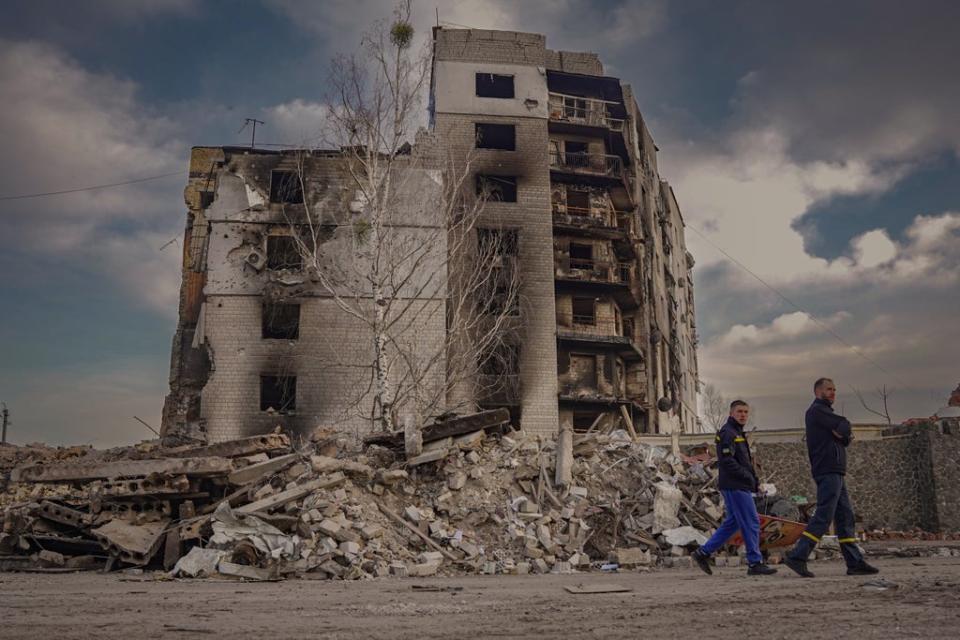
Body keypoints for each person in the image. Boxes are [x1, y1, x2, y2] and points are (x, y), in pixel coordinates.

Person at [783, 378, 879, 578]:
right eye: (829, 389)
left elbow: (845, 436)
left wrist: (842, 433)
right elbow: (843, 425)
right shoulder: (817, 411)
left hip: (835, 470)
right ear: (818, 391)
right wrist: (841, 430)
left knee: (845, 517)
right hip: (827, 469)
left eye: (834, 389)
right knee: (824, 514)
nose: (833, 392)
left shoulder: (826, 413)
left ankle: (854, 562)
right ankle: (798, 556)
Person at [692, 400, 776, 576]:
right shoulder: (728, 433)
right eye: (739, 411)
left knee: (734, 522)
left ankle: (703, 552)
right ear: (731, 413)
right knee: (751, 521)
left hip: (739, 484)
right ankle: (754, 563)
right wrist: (748, 479)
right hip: (735, 485)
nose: (743, 414)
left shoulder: (738, 433)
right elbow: (727, 462)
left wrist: (755, 481)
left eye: (746, 412)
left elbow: (745, 462)